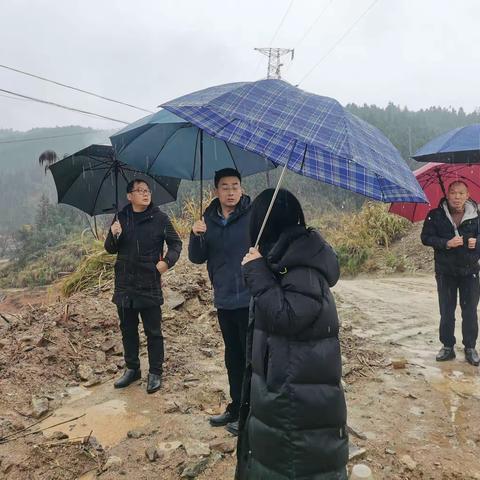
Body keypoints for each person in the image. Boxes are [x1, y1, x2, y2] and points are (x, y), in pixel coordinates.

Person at [236, 188, 348, 480]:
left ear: (264, 222)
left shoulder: (303, 267)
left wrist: (257, 272)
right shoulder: (284, 258)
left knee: (291, 463)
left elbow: (288, 317)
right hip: (288, 386)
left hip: (295, 396)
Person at [105, 179, 182, 393]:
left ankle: (155, 372)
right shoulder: (121, 217)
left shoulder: (159, 218)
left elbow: (176, 243)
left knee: (153, 331)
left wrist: (165, 263)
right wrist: (114, 233)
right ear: (129, 196)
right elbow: (110, 249)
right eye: (139, 191)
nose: (145, 194)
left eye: (147, 190)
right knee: (127, 329)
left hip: (148, 280)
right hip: (124, 283)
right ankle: (132, 369)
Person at [189, 168, 251, 435]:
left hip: (251, 298)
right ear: (216, 190)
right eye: (225, 186)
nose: (230, 191)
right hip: (224, 299)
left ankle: (250, 412)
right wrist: (196, 234)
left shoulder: (253, 216)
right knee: (232, 358)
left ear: (242, 189)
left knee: (251, 359)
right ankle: (236, 406)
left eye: (235, 186)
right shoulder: (208, 219)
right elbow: (196, 258)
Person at [421, 180, 480, 366]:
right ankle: (447, 346)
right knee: (446, 311)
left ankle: (470, 347)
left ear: (468, 195)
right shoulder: (436, 215)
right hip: (445, 272)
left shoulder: (476, 216)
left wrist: (477, 242)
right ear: (447, 194)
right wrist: (446, 243)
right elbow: (426, 238)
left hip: (470, 271)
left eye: (461, 193)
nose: (457, 197)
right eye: (453, 192)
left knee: (470, 311)